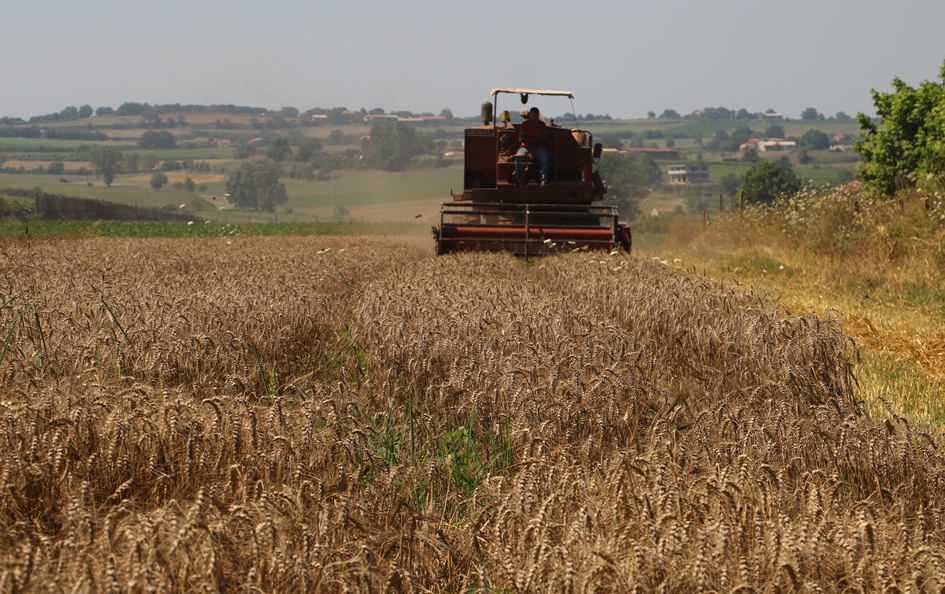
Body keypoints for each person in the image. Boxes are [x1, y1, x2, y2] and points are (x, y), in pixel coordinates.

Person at [515, 106, 550, 186]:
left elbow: (543, 138)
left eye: (536, 116)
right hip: (525, 147)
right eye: (533, 115)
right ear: (530, 115)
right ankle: (519, 177)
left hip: (539, 147)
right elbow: (521, 138)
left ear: (538, 115)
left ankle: (544, 179)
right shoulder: (524, 124)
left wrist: (533, 134)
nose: (534, 117)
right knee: (518, 156)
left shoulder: (542, 125)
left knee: (544, 156)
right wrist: (535, 139)